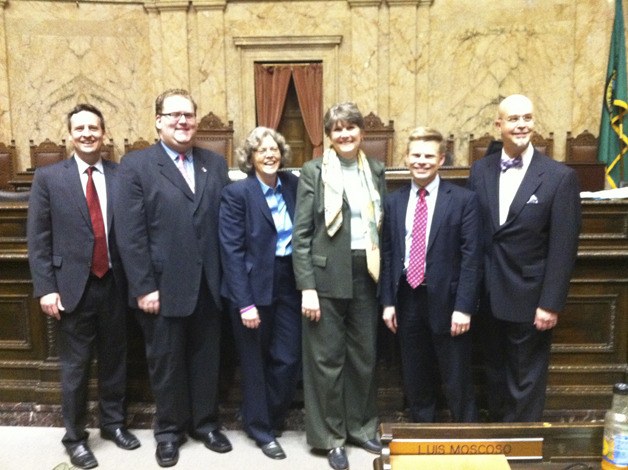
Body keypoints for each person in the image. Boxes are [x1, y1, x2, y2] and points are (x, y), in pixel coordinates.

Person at [113, 89, 231, 467]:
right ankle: (168, 432)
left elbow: (222, 226)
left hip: (209, 286)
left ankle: (205, 424)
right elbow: (130, 235)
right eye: (174, 115)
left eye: (189, 115)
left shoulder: (214, 163)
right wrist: (144, 285)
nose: (183, 121)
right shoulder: (136, 166)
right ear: (158, 121)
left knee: (205, 360)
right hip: (161, 287)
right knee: (165, 364)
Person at [27, 104, 140, 469]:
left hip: (115, 283)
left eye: (94, 127)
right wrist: (46, 288)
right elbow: (39, 237)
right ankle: (75, 437)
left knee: (114, 361)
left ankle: (112, 424)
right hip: (72, 287)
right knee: (75, 369)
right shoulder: (48, 178)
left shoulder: (123, 175)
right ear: (70, 135)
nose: (88, 133)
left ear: (104, 133)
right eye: (80, 128)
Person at [467, 94, 582, 422]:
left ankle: (522, 446)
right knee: (494, 372)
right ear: (498, 125)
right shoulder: (480, 170)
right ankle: (497, 444)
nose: (521, 125)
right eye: (514, 119)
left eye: (527, 118)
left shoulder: (559, 177)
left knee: (525, 379)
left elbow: (563, 247)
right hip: (487, 295)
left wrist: (551, 303)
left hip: (530, 298)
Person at [292, 102, 385, 470]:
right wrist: (307, 287)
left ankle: (361, 427)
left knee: (363, 358)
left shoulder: (374, 170)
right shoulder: (313, 171)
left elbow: (381, 225)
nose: (345, 135)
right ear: (329, 136)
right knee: (326, 361)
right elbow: (302, 235)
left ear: (361, 132)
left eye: (351, 128)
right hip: (325, 276)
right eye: (337, 129)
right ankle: (331, 437)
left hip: (368, 273)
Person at [380, 127, 481, 423]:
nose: (421, 161)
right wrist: (388, 302)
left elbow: (471, 258)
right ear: (406, 158)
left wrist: (463, 308)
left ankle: (470, 438)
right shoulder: (394, 201)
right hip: (407, 299)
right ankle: (422, 433)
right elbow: (387, 254)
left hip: (449, 304)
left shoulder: (463, 200)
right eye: (415, 155)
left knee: (456, 375)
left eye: (428, 156)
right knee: (414, 375)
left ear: (441, 160)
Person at [219, 127, 301, 460]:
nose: (269, 155)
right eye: (262, 150)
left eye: (274, 149)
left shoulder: (293, 186)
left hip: (289, 281)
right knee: (253, 362)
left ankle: (271, 416)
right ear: (250, 158)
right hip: (251, 286)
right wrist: (244, 303)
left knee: (288, 357)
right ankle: (260, 428)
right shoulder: (237, 193)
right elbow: (231, 251)